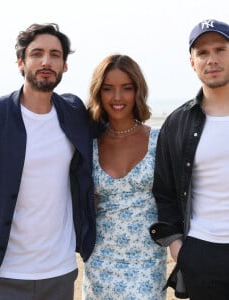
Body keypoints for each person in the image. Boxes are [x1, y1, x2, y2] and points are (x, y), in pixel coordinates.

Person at [0, 23, 96, 300]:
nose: (46, 61)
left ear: (65, 65)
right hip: (0, 274)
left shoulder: (74, 113)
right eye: (37, 53)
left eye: (55, 55)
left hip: (60, 271)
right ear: (20, 62)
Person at [149, 19, 229, 300]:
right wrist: (177, 247)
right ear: (192, 62)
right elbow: (165, 190)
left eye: (221, 49)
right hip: (202, 252)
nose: (212, 60)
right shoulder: (178, 122)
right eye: (203, 53)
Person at [82, 54, 167, 299]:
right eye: (108, 89)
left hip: (148, 262)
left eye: (126, 89)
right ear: (98, 92)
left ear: (137, 91)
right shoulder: (89, 145)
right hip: (100, 262)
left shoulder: (160, 140)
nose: (117, 98)